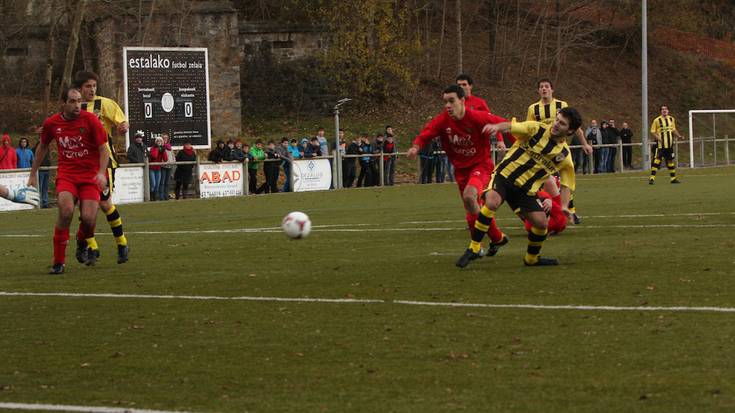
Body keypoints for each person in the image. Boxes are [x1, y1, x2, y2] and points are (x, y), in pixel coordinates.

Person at [456, 107, 582, 268]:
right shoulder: (536, 128)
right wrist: (496, 127)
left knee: (542, 223)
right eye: (557, 119)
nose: (556, 124)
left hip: (525, 191)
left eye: (562, 123)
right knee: (492, 202)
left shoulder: (564, 155)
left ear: (570, 130)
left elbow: (566, 183)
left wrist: (564, 206)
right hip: (504, 176)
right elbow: (510, 126)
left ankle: (532, 259)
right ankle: (474, 247)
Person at [407, 84, 509, 257]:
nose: (447, 105)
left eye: (451, 101)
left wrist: (501, 134)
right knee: (471, 208)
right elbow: (426, 133)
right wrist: (416, 147)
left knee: (470, 196)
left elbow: (506, 124)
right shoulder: (442, 121)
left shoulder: (476, 117)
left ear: (462, 101)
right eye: (445, 102)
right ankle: (496, 237)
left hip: (481, 166)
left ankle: (478, 245)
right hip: (461, 171)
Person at [28, 87, 109, 274]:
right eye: (72, 101)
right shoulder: (52, 124)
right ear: (63, 103)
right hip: (67, 176)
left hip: (90, 177)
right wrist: (33, 173)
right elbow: (43, 147)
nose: (77, 105)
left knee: (89, 218)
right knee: (66, 211)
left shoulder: (90, 120)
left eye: (79, 101)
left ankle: (82, 240)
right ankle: (58, 262)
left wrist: (101, 173)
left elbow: (103, 149)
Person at [74, 70, 130, 264]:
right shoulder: (74, 107)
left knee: (104, 205)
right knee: (86, 209)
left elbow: (121, 121)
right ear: (79, 88)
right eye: (88, 86)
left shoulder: (104, 104)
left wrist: (123, 126)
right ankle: (92, 247)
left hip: (103, 163)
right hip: (80, 163)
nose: (92, 89)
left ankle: (122, 244)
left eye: (94, 86)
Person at [526, 79, 590, 225]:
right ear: (538, 91)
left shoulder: (562, 105)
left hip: (560, 149)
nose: (544, 89)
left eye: (546, 86)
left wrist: (585, 144)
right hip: (541, 150)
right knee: (544, 179)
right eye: (541, 87)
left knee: (565, 177)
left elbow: (576, 127)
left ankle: (570, 210)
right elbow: (529, 128)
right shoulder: (533, 109)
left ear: (552, 90)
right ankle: (541, 209)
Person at [649, 105, 682, 184]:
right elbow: (653, 131)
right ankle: (652, 178)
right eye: (663, 109)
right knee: (657, 160)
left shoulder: (671, 119)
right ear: (661, 111)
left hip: (669, 144)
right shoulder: (657, 120)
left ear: (668, 111)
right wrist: (659, 138)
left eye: (665, 109)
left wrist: (679, 135)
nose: (664, 110)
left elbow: (673, 129)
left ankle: (673, 178)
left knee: (670, 160)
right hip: (661, 145)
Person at [33, 140, 51, 208]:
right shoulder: (36, 148)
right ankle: (39, 203)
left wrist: (49, 163)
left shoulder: (47, 148)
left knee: (45, 187)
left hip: (47, 170)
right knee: (39, 187)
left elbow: (48, 157)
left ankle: (45, 202)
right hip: (40, 170)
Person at [148, 136, 167, 200]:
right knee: (153, 184)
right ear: (156, 142)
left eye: (160, 141)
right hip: (152, 169)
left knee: (157, 185)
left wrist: (163, 151)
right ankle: (151, 197)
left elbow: (165, 159)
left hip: (158, 169)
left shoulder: (162, 149)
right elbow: (154, 156)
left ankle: (155, 197)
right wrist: (157, 149)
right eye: (158, 141)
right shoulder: (153, 148)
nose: (159, 142)